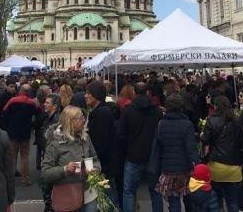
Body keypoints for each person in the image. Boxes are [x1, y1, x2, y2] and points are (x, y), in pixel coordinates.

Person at [41, 105, 101, 212]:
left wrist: (95, 169)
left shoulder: (85, 138)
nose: (84, 120)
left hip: (88, 192)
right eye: (81, 118)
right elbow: (45, 173)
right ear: (70, 122)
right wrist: (64, 169)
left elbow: (95, 159)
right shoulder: (55, 143)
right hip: (67, 194)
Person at [148, 93, 198, 212]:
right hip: (185, 168)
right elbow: (191, 148)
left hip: (167, 168)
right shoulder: (187, 125)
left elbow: (157, 149)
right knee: (188, 198)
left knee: (173, 201)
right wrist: (196, 164)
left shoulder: (161, 124)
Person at [118, 82, 162, 212]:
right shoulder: (157, 111)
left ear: (135, 93)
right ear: (148, 92)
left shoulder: (128, 110)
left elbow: (121, 134)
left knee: (129, 192)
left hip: (133, 156)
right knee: (155, 192)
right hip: (152, 156)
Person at [200, 95, 243, 212]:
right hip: (234, 165)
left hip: (216, 164)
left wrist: (201, 136)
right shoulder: (237, 121)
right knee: (232, 201)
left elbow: (205, 140)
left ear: (215, 106)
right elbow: (242, 142)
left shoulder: (211, 120)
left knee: (216, 200)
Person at [1, 84, 38, 186]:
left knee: (12, 156)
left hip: (13, 132)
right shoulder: (32, 103)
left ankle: (11, 179)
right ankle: (25, 178)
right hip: (25, 132)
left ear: (20, 90)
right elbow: (36, 114)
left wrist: (7, 127)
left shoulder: (12, 101)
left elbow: (4, 114)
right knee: (25, 156)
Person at [85, 81, 116, 199]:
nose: (85, 95)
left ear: (96, 95)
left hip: (103, 164)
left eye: (89, 93)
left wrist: (93, 163)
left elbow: (100, 143)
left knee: (107, 197)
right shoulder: (98, 111)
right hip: (103, 163)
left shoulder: (101, 113)